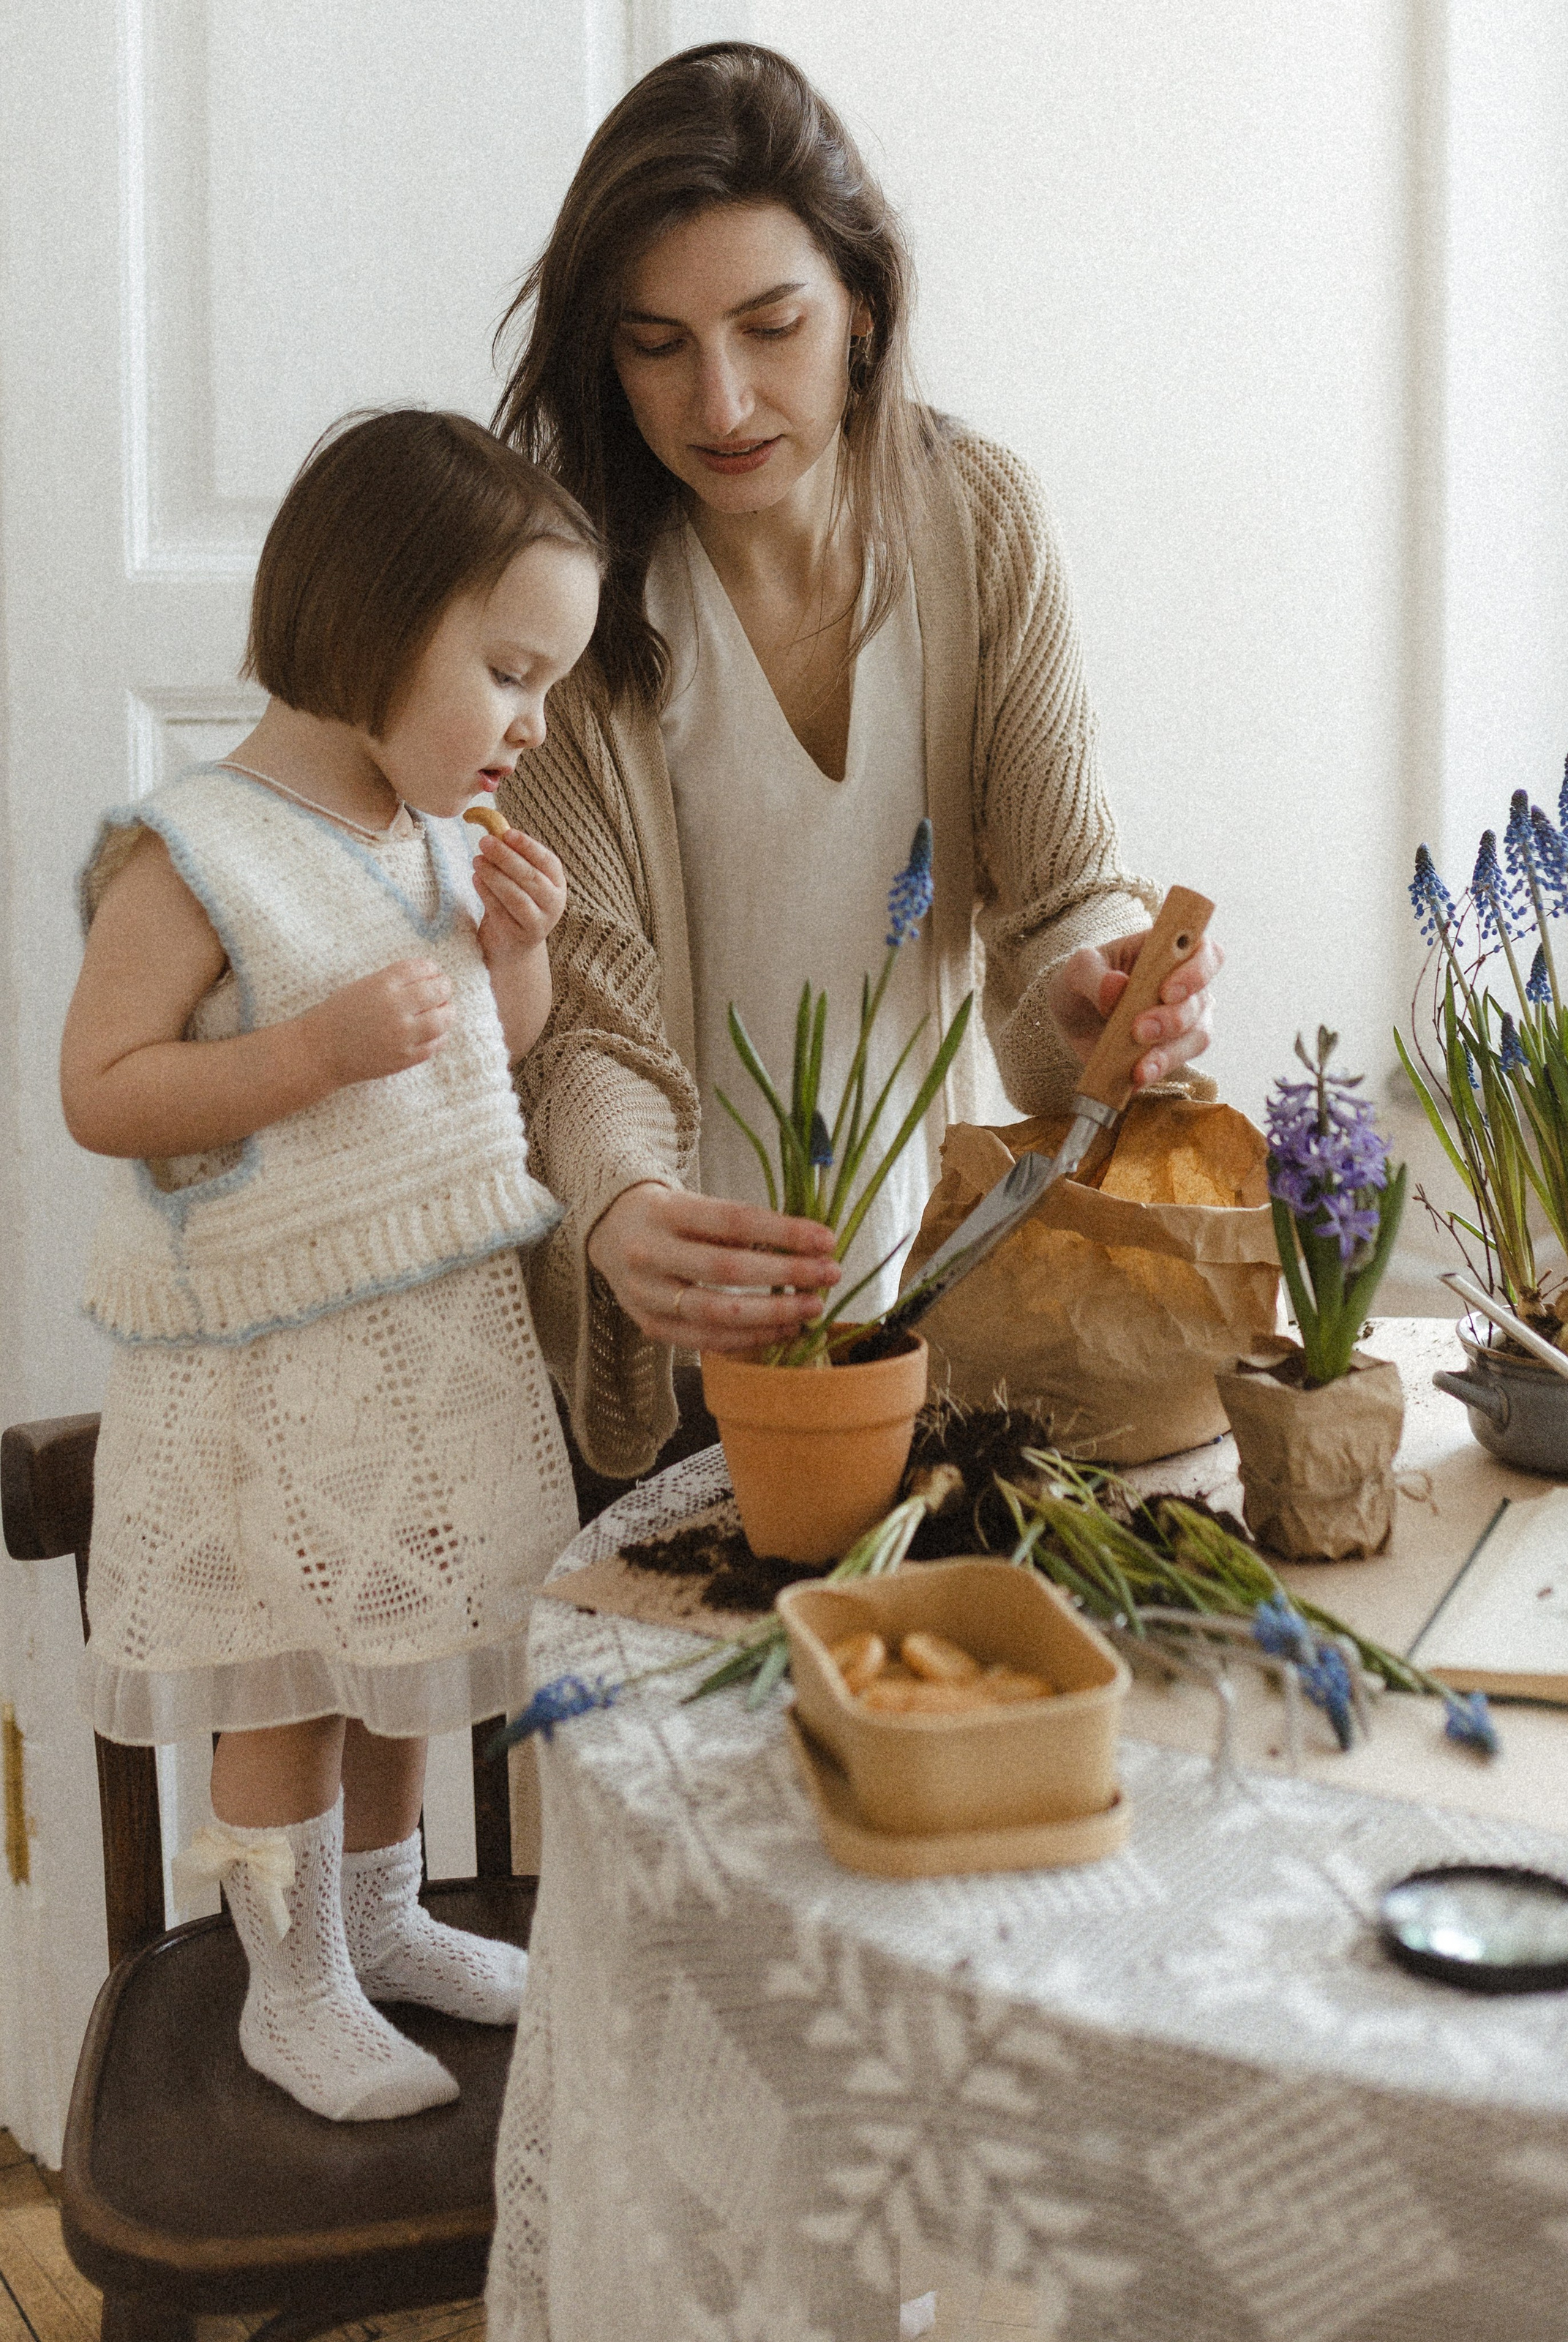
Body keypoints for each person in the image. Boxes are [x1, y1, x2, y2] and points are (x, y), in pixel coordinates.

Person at [494, 40, 1226, 1483]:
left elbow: (1056, 893)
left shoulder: (979, 526)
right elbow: (584, 1025)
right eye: (657, 344)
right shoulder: (553, 600)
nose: (718, 402)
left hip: (923, 1334)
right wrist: (625, 1208)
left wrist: (1094, 985)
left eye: (770, 327)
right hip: (666, 1363)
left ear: (864, 313)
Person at [59, 410, 600, 2122]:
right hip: (269, 1368)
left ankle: (384, 1924)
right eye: (509, 672)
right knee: (292, 1677)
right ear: (373, 626)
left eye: (551, 686)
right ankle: (288, 1984)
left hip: (421, 1341)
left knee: (398, 1664)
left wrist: (519, 959)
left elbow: (473, 1069)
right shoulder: (196, 848)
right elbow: (106, 1088)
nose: (533, 722)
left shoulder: (427, 841)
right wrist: (306, 1053)